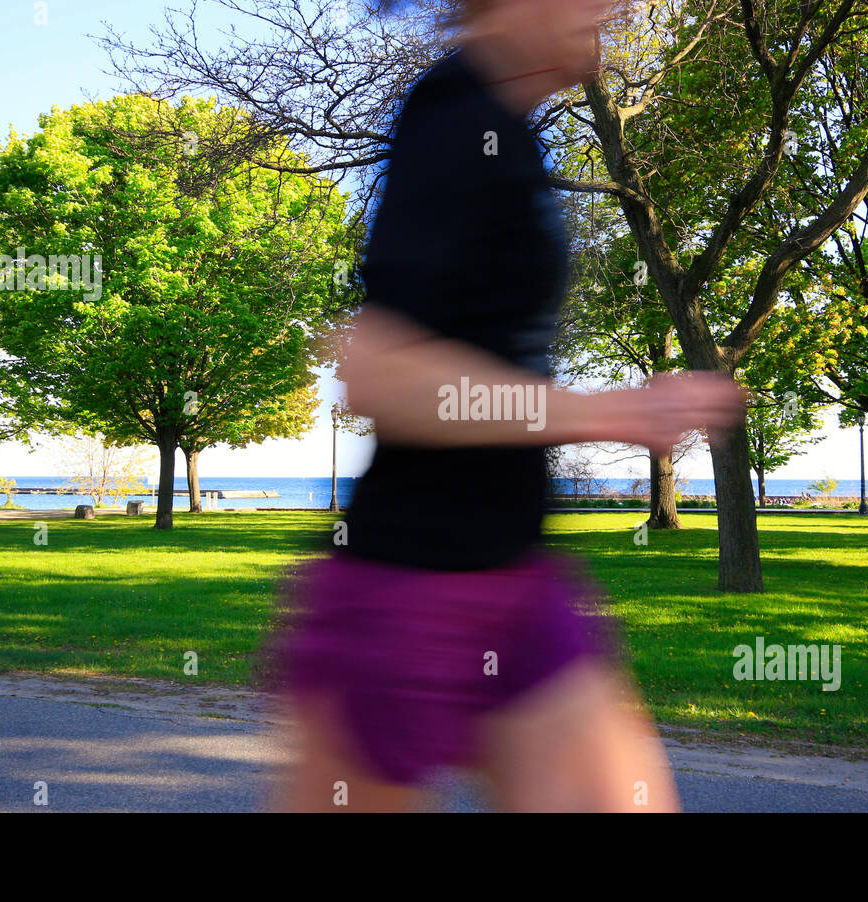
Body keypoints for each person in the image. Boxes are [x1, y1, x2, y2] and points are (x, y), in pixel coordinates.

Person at [262, 0, 745, 812]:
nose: (612, 8)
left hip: (516, 582)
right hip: (408, 595)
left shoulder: (510, 133)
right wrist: (609, 412)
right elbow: (378, 374)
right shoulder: (454, 120)